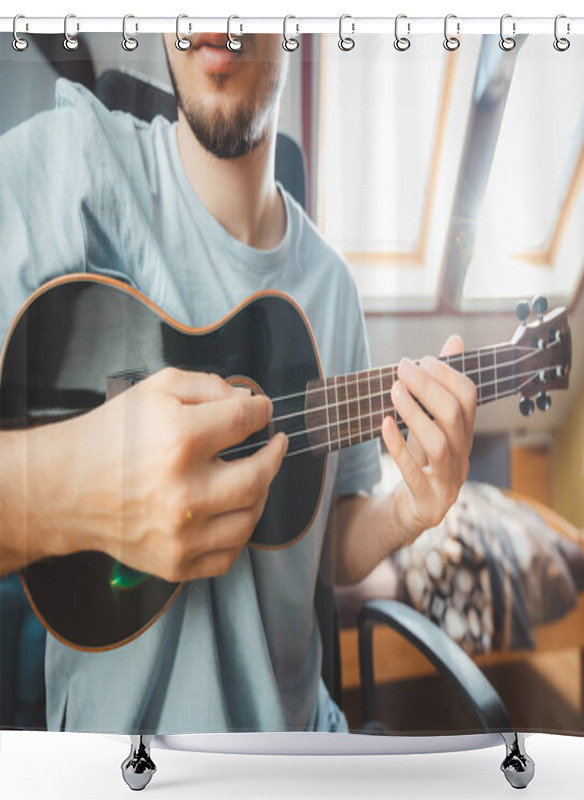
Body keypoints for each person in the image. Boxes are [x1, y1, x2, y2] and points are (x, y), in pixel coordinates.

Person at [0, 33, 476, 734]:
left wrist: (408, 512)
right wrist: (69, 491)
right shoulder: (69, 169)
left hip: (301, 747)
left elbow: (332, 541)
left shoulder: (333, 288)